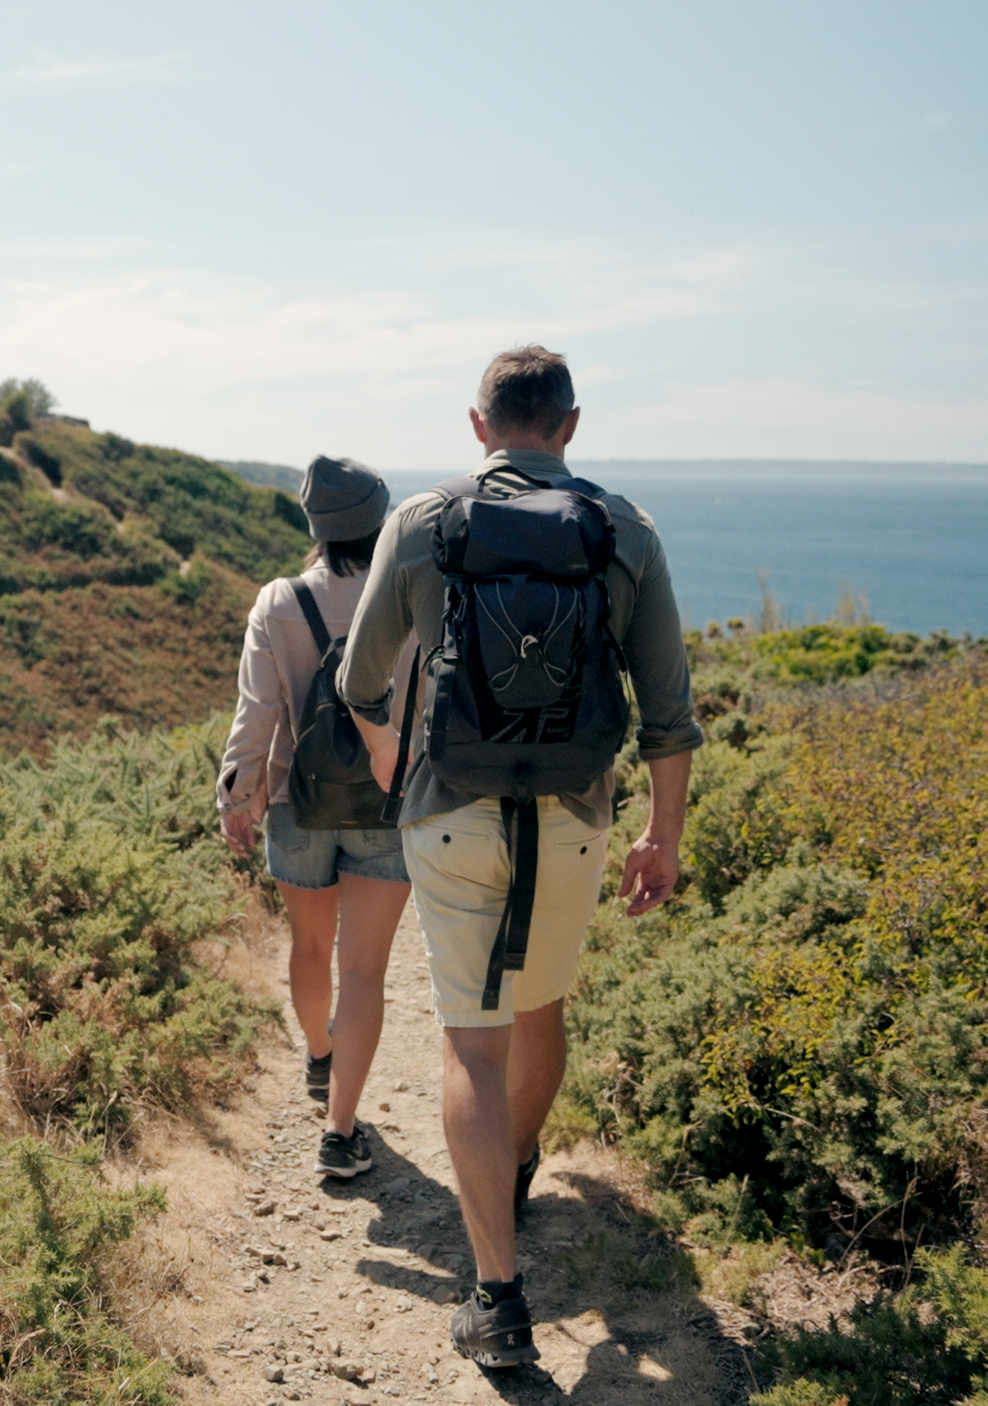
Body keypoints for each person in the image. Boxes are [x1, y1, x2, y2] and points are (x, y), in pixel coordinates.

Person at [337, 346, 702, 1368]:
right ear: (570, 426)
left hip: (448, 813)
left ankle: (497, 1297)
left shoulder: (421, 521)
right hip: (575, 818)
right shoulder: (622, 528)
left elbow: (361, 678)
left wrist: (386, 749)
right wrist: (659, 838)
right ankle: (519, 1160)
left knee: (470, 1043)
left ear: (477, 423)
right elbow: (670, 717)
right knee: (540, 1004)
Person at [217, 455, 418, 1179]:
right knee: (364, 971)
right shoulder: (412, 596)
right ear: (380, 518)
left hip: (297, 806)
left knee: (308, 950)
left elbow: (256, 714)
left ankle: (321, 1057)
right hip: (388, 802)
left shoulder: (278, 602)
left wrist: (237, 800)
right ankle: (340, 1131)